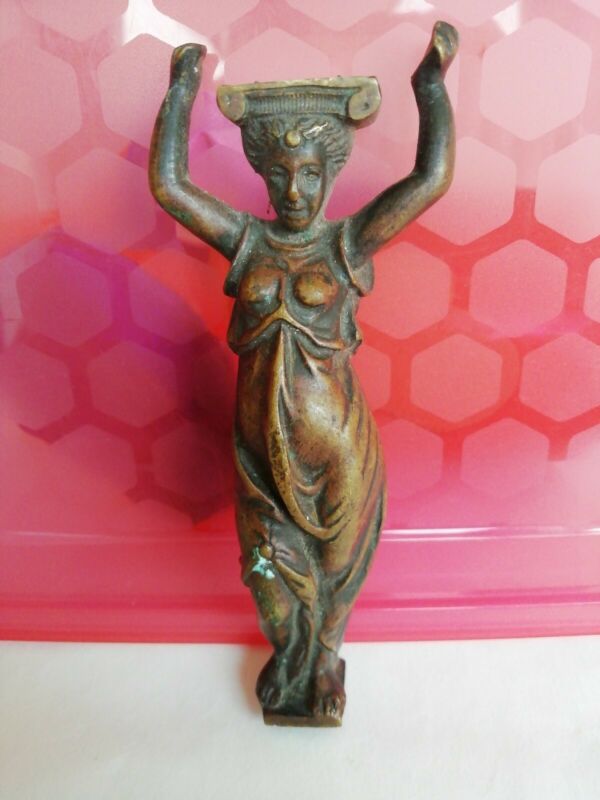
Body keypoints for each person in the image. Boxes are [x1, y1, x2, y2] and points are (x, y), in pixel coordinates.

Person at [149, 21, 457, 725]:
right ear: (264, 177)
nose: (295, 190)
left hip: (340, 455)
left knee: (335, 579)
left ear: (329, 175)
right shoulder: (246, 240)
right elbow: (168, 185)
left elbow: (431, 178)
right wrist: (181, 88)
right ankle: (290, 652)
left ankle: (320, 665)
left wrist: (431, 88)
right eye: (281, 175)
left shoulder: (348, 243)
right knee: (265, 576)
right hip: (260, 461)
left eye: (311, 174)